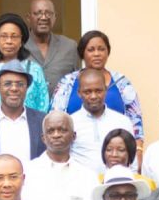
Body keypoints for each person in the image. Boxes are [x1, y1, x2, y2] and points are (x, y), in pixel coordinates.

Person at [51, 30, 144, 163]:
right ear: (82, 53)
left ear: (107, 52)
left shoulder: (122, 82)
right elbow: (55, 118)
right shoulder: (67, 82)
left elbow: (135, 121)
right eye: (91, 50)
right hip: (78, 156)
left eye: (101, 49)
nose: (97, 54)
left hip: (116, 157)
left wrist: (138, 152)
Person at [0, 13, 49, 112]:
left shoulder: (35, 69)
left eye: (14, 36)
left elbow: (43, 106)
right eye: (3, 36)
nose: (9, 41)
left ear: (21, 41)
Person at [70, 68, 134, 173]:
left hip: (115, 181)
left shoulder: (122, 122)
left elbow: (132, 161)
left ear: (106, 90)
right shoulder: (70, 123)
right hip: (81, 182)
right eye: (87, 92)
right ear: (79, 93)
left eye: (98, 91)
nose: (93, 96)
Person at [0, 59, 46, 161]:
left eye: (20, 84)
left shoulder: (42, 120)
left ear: (27, 88)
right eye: (7, 84)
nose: (14, 88)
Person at [24, 0, 78, 97]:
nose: (44, 17)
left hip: (61, 106)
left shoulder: (69, 46)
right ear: (28, 17)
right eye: (38, 13)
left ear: (55, 17)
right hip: (27, 106)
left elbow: (77, 82)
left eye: (48, 13)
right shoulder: (18, 47)